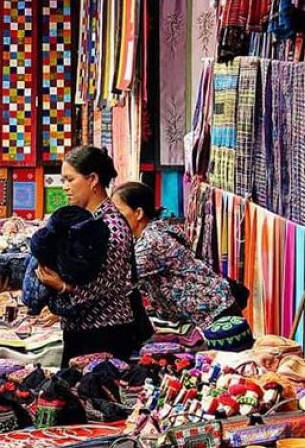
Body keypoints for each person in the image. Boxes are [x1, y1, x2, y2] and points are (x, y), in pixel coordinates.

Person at [34, 146, 147, 364]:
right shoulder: (84, 221)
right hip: (83, 328)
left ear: (93, 179)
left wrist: (63, 287)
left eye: (70, 180)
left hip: (105, 332)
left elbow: (108, 283)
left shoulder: (111, 225)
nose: (65, 187)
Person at [112, 182, 243, 328]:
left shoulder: (152, 241)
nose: (114, 219)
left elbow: (121, 280)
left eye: (118, 213)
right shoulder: (155, 231)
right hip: (211, 309)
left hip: (215, 314)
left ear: (138, 213)